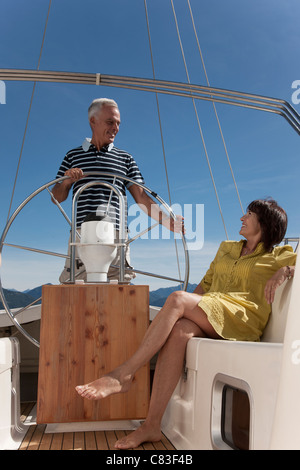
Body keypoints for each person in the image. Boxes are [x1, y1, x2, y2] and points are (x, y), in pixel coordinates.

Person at [76, 198, 297, 449]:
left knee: (177, 298)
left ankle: (123, 374)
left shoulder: (280, 255)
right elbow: (205, 285)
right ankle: (152, 425)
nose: (242, 218)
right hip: (214, 309)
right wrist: (186, 310)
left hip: (243, 319)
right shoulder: (227, 248)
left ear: (266, 223)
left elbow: (296, 265)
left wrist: (286, 271)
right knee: (180, 330)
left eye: (249, 214)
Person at [51, 98, 183, 282]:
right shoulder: (72, 156)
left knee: (119, 288)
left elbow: (142, 198)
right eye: (110, 122)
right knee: (74, 287)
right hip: (82, 233)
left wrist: (167, 221)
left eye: (118, 123)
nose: (115, 128)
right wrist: (66, 181)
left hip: (116, 234)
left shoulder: (125, 158)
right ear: (93, 121)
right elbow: (56, 197)